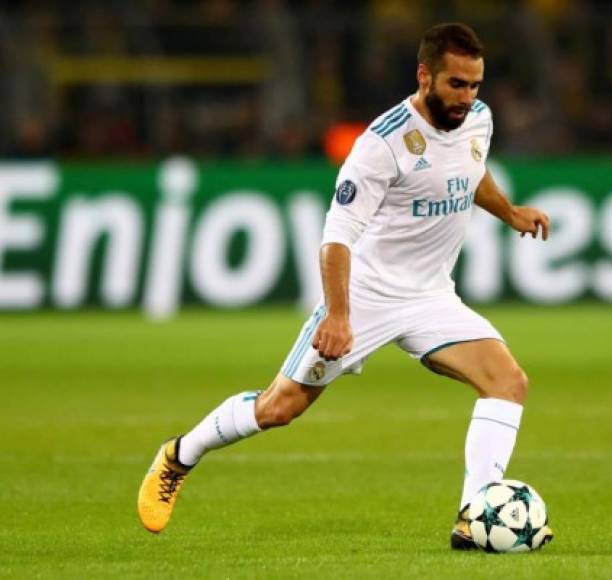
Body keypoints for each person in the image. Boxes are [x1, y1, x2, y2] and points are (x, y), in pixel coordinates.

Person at [137, 22, 553, 550]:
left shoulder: (478, 121)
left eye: (475, 86)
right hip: (367, 296)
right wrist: (338, 314)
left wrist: (509, 211)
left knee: (508, 381)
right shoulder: (382, 144)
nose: (467, 98)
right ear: (424, 75)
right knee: (280, 407)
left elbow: (470, 174)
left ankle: (472, 519)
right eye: (456, 85)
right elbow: (337, 235)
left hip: (431, 297)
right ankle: (180, 454)